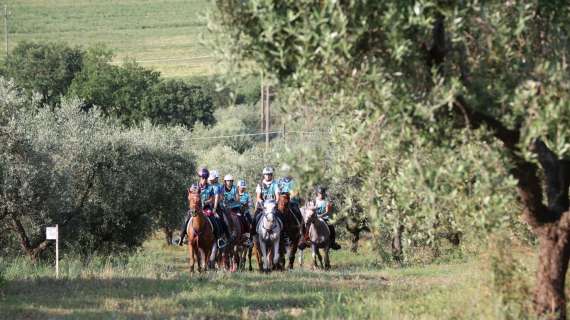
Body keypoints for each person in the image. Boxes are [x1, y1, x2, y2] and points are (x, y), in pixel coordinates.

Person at [253, 166, 281, 232]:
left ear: (271, 175)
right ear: (264, 175)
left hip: (273, 206)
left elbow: (277, 196)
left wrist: (276, 202)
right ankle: (252, 236)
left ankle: (285, 236)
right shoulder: (260, 185)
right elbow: (258, 197)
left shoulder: (275, 184)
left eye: (269, 174)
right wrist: (261, 201)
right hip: (263, 207)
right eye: (266, 174)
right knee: (255, 219)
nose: (268, 176)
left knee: (282, 217)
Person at [314, 186, 341, 250]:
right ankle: (305, 239)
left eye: (322, 193)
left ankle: (332, 242)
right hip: (316, 218)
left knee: (331, 228)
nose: (321, 195)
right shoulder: (315, 200)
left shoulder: (327, 201)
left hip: (325, 218)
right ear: (317, 194)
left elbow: (327, 212)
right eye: (320, 193)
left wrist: (320, 216)